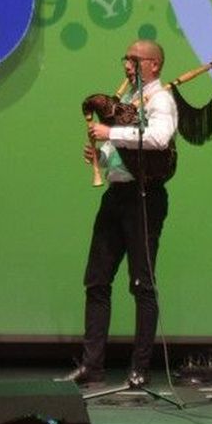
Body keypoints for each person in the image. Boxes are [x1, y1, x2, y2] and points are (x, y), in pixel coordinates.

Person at [64, 39, 177, 388]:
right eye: (125, 58)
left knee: (142, 283)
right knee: (96, 281)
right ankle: (91, 366)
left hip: (144, 198)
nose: (127, 65)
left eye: (134, 59)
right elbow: (124, 149)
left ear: (154, 65)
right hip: (116, 195)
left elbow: (158, 138)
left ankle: (139, 369)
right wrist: (101, 155)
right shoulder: (127, 100)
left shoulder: (161, 99)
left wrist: (109, 132)